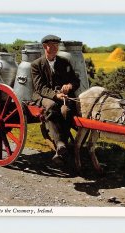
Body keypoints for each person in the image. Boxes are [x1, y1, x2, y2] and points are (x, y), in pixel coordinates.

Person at [31, 35, 80, 163]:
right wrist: (55, 95)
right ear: (44, 46)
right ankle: (60, 143)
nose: (54, 48)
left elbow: (75, 80)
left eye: (56, 45)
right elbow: (40, 87)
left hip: (63, 97)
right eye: (51, 45)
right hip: (43, 96)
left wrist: (69, 85)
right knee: (52, 106)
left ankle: (63, 144)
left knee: (67, 111)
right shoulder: (36, 65)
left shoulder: (64, 62)